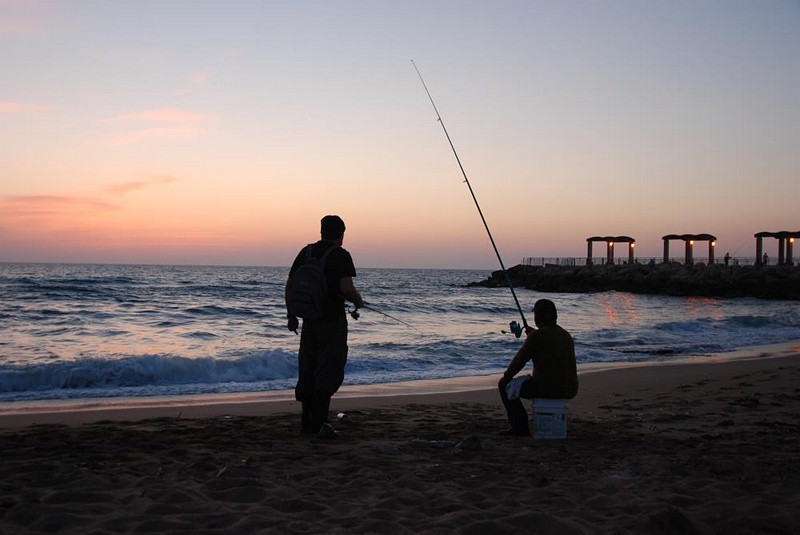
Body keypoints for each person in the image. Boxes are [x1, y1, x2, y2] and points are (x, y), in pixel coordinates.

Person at [285, 215, 364, 437]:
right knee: (327, 372)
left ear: (321, 231)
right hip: (331, 321)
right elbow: (347, 289)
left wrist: (291, 316)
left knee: (308, 371)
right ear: (341, 234)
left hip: (309, 321)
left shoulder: (306, 252)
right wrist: (358, 301)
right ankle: (318, 426)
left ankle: (306, 424)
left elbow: (290, 286)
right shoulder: (340, 255)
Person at [497, 299, 578, 436]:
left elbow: (519, 362)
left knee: (504, 385)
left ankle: (520, 428)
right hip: (569, 388)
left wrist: (506, 377)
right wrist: (533, 335)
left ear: (538, 317)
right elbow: (547, 342)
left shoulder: (536, 337)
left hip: (547, 388)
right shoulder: (565, 335)